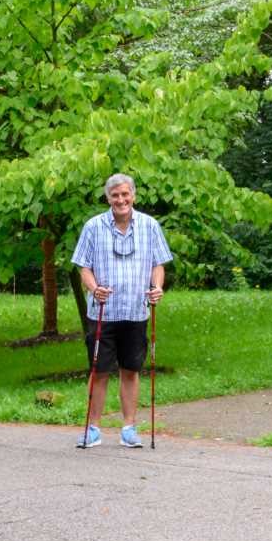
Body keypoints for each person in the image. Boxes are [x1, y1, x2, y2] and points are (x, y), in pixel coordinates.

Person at [70, 173, 172, 449]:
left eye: (125, 194)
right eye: (115, 195)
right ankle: (92, 429)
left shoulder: (150, 226)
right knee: (99, 370)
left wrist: (157, 287)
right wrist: (93, 288)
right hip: (103, 312)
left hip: (136, 312)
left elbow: (158, 263)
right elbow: (84, 266)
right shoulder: (93, 226)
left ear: (133, 196)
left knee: (131, 370)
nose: (121, 200)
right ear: (108, 198)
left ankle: (129, 428)